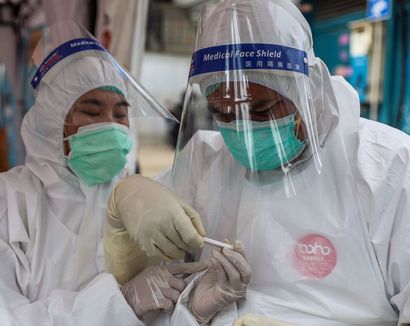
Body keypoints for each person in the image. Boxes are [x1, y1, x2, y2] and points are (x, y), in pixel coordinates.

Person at [104, 0, 410, 324]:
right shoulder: (203, 163)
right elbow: (153, 294)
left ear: (309, 89)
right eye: (223, 114)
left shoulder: (389, 169)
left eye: (261, 111)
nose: (244, 132)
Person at [0, 21, 206, 325]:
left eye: (120, 114)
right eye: (92, 112)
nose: (111, 125)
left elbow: (163, 302)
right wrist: (117, 303)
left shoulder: (137, 204)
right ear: (52, 122)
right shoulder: (3, 206)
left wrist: (191, 308)